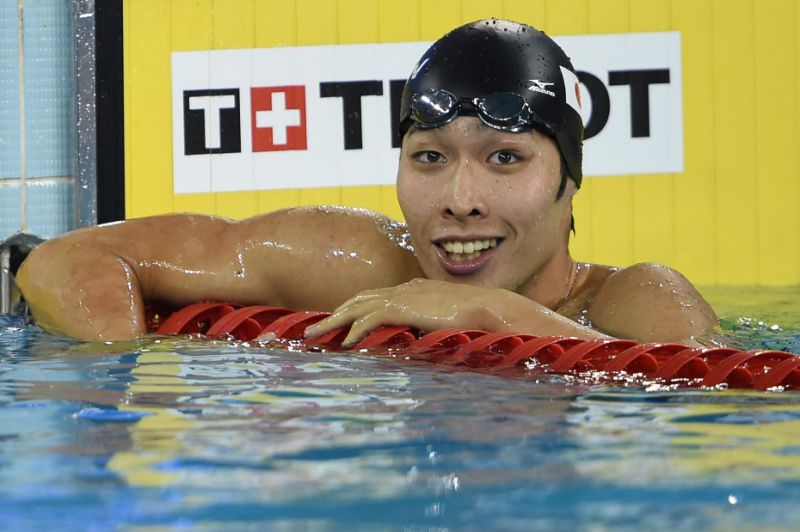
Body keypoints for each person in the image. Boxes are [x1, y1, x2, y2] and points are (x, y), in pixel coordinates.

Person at [16, 19, 718, 345]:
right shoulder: (355, 262)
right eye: (430, 157)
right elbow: (65, 261)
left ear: (570, 180)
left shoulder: (636, 297)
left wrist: (489, 314)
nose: (459, 199)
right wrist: (131, 379)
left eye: (505, 159)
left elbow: (713, 397)